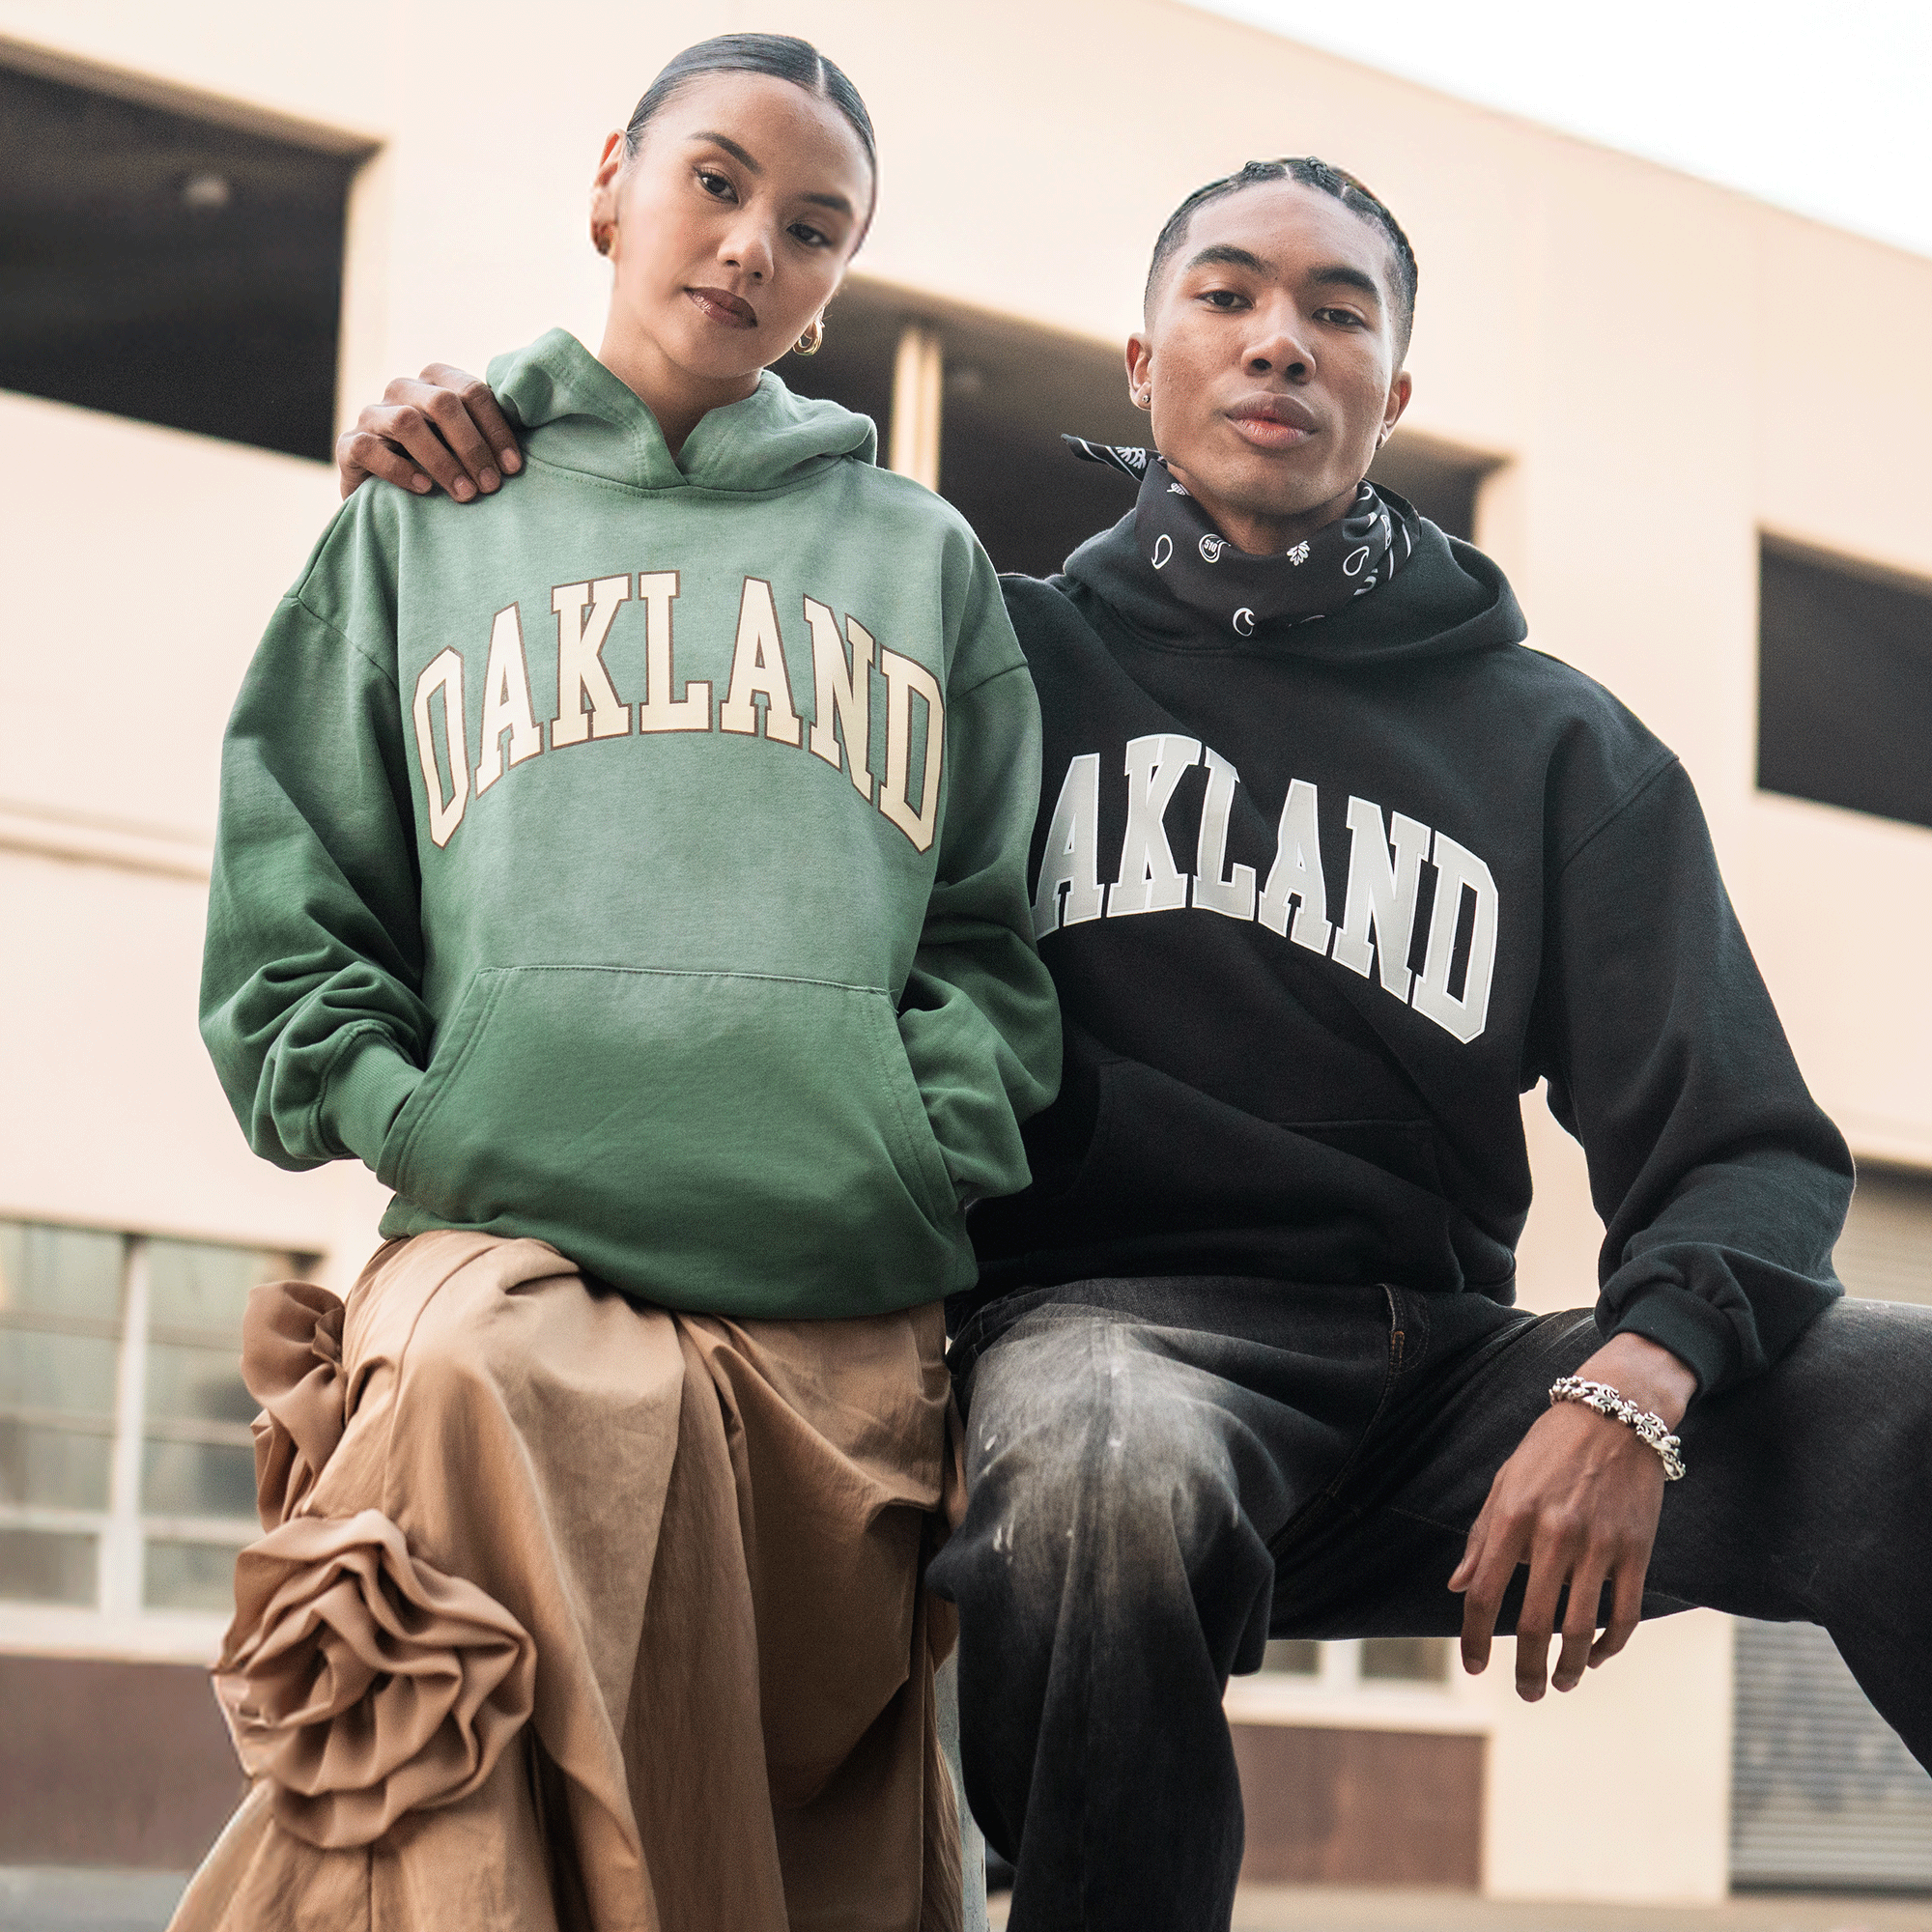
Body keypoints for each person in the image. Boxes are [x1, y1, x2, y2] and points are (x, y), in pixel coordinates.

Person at [338, 157, 1932, 1932]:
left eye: (1339, 314)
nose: (1281, 345)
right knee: (1109, 1444)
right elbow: (695, 613)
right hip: (1083, 1359)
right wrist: (507, 434)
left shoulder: (1561, 748)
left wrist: (1632, 1381)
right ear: (1139, 361)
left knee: (1902, 1397)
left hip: (1427, 1387)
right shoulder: (983, 654)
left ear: (1394, 393)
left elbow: (1749, 1148)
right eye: (1230, 295)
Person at [180, 33, 1059, 1932]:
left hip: (832, 1280)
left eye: (813, 226)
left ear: (836, 285)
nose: (751, 244)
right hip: (500, 1227)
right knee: (474, 1404)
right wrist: (414, 1114)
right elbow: (287, 911)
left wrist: (914, 1151)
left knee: (776, 1815)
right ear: (611, 183)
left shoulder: (923, 563)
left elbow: (991, 943)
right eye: (717, 182)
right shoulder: (428, 510)